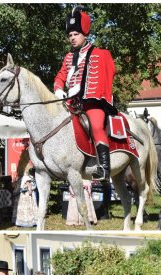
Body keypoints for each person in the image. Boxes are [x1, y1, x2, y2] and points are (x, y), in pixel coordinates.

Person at [53, 6, 116, 183]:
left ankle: (104, 168)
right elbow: (60, 77)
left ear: (85, 34)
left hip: (92, 103)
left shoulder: (101, 54)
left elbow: (108, 74)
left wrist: (83, 91)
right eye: (70, 35)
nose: (72, 38)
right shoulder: (67, 57)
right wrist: (59, 90)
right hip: (70, 103)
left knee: (96, 126)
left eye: (76, 34)